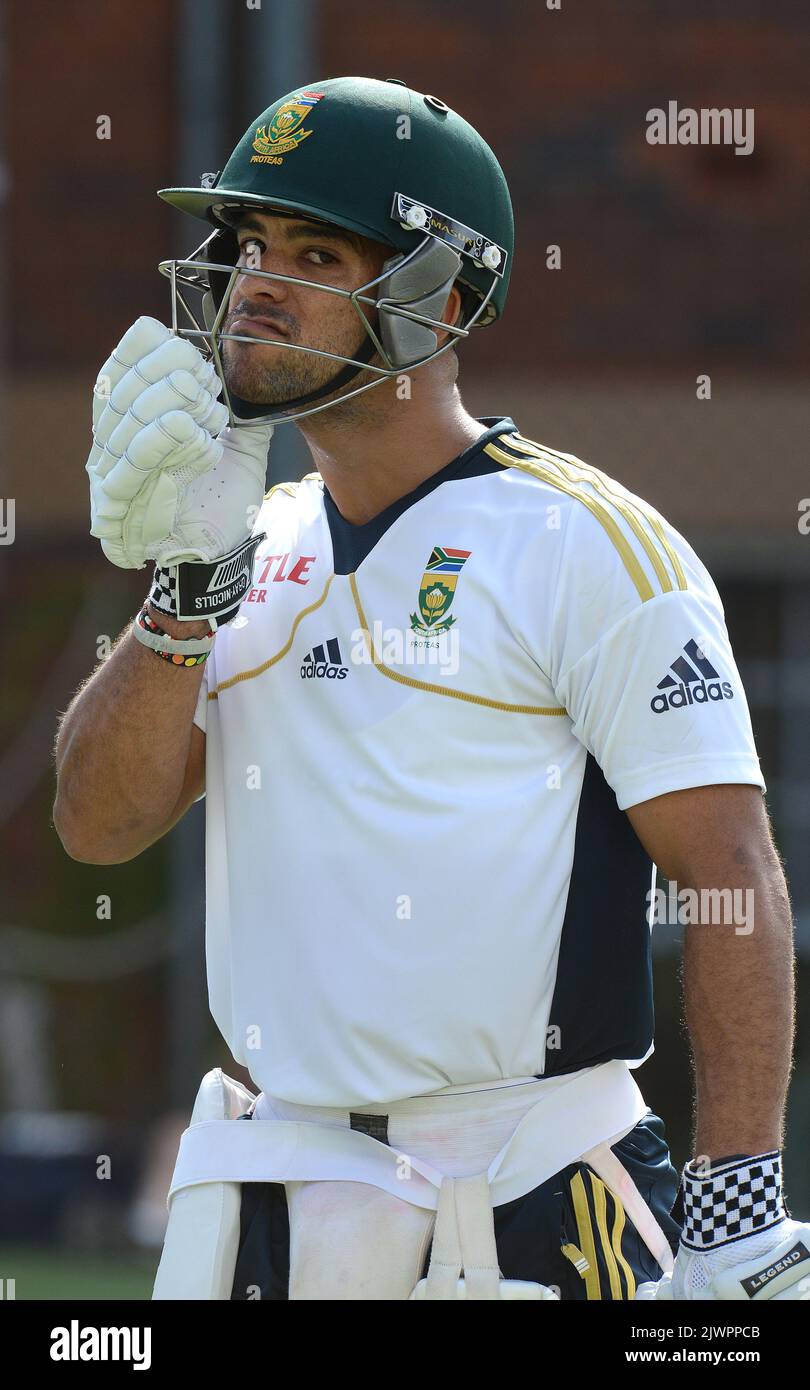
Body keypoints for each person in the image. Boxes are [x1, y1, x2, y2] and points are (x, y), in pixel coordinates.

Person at [54, 77, 801, 1301]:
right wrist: (185, 588)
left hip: (532, 1188)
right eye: (246, 247)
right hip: (272, 1192)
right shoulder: (247, 536)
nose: (254, 286)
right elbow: (99, 827)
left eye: (312, 251)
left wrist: (737, 1207)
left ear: (433, 297)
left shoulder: (588, 540)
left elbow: (731, 871)